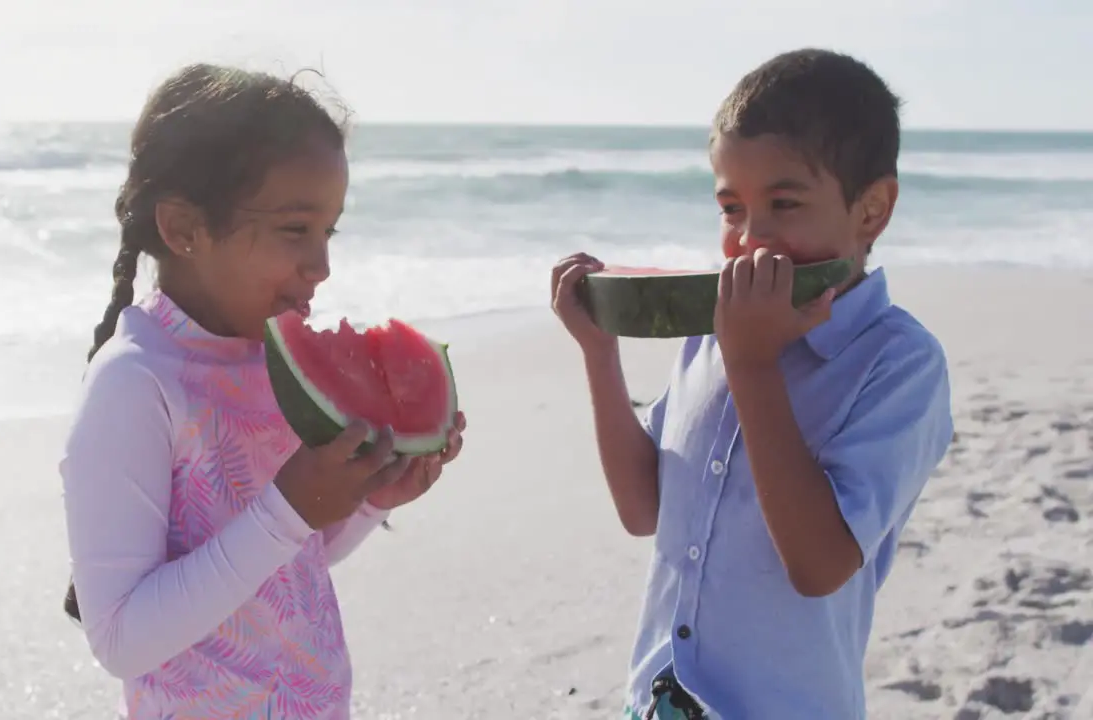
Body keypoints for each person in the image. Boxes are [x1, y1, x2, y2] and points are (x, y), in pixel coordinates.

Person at [550, 48, 953, 719]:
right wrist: (600, 354)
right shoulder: (712, 334)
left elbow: (819, 565)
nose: (750, 239)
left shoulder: (899, 364)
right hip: (658, 702)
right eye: (731, 208)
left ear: (872, 209)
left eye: (784, 203)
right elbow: (642, 508)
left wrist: (754, 366)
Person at [59, 63, 466, 720]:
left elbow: (289, 566)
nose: (322, 264)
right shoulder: (134, 383)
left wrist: (364, 503)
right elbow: (121, 639)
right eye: (294, 230)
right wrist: (288, 509)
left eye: (329, 231)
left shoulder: (271, 360)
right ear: (184, 229)